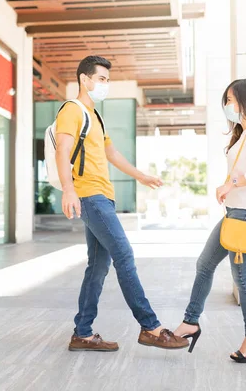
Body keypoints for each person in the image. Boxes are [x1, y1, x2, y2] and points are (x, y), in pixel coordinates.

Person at [55, 55, 188, 352]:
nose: (105, 85)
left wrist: (141, 176)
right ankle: (150, 327)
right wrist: (68, 189)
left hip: (103, 196)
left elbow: (111, 153)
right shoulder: (72, 110)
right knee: (124, 254)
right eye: (101, 79)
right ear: (84, 79)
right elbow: (62, 150)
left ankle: (82, 333)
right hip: (89, 195)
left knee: (98, 267)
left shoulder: (94, 116)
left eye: (107, 80)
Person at [173, 78, 246, 363]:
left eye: (230, 99)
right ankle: (191, 322)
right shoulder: (243, 134)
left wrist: (232, 185)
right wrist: (229, 185)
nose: (227, 105)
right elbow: (245, 169)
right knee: (204, 265)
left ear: (245, 101)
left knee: (242, 277)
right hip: (235, 214)